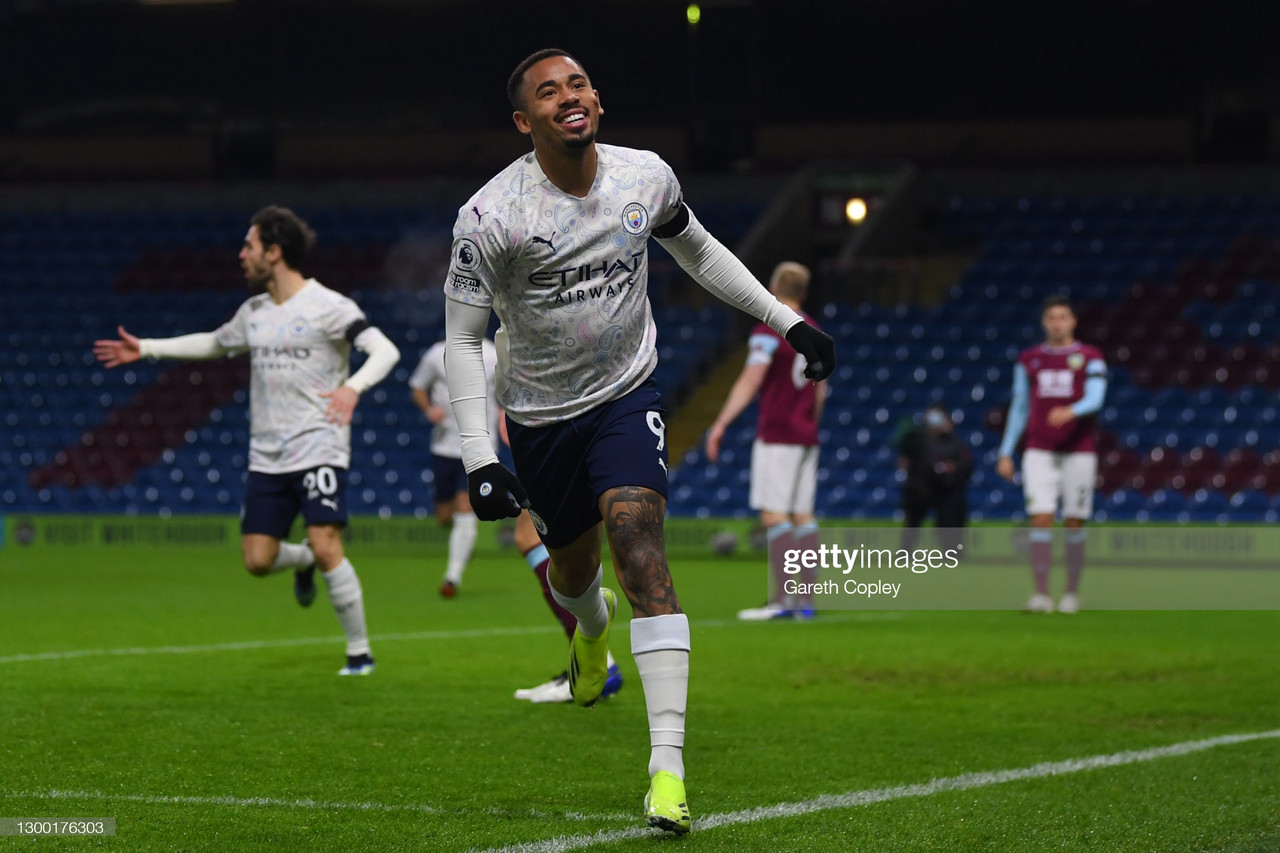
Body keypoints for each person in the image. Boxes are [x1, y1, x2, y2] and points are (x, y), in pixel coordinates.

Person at [442, 49, 834, 834]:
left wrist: (785, 320)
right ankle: (592, 636)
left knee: (639, 541)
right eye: (549, 93)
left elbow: (697, 249)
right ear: (525, 121)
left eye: (578, 83)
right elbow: (461, 338)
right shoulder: (490, 217)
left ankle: (667, 769)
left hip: (627, 392)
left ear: (596, 98)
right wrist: (481, 458)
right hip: (541, 415)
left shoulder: (645, 177)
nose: (569, 98)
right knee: (573, 571)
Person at [94, 205, 401, 674]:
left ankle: (359, 652)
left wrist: (352, 387)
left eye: (249, 246)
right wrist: (149, 348)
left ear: (274, 253)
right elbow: (217, 343)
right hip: (267, 455)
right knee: (258, 560)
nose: (242, 256)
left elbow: (385, 349)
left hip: (320, 445)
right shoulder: (254, 312)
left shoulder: (330, 306)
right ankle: (301, 563)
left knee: (326, 544)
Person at [410, 338, 624, 701]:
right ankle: (597, 660)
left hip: (554, 432)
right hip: (590, 422)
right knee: (563, 548)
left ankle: (600, 662)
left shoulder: (519, 331)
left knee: (537, 542)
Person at [704, 261, 828, 621]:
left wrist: (721, 423)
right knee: (803, 515)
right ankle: (805, 600)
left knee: (775, 516)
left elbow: (750, 381)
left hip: (777, 434)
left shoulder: (769, 331)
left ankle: (782, 600)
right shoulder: (814, 330)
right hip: (807, 434)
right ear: (804, 293)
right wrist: (809, 424)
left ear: (773, 287)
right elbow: (821, 392)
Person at [996, 295, 1107, 614]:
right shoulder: (1029, 359)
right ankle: (1041, 595)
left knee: (1074, 521)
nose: (1057, 323)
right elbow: (1020, 406)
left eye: (1063, 317)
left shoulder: (1090, 356)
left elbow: (1096, 398)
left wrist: (1070, 411)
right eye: (1052, 318)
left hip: (1078, 451)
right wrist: (1006, 451)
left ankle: (1071, 592)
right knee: (1041, 518)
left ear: (1073, 321)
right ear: (1044, 322)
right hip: (1039, 450)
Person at [409, 337, 500, 598]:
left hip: (481, 443)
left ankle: (452, 577)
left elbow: (504, 391)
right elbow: (417, 386)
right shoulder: (437, 352)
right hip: (444, 445)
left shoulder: (494, 355)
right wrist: (429, 409)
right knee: (444, 516)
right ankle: (463, 538)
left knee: (465, 504)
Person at [895, 406, 973, 551]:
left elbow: (966, 466)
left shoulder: (954, 443)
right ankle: (905, 554)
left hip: (946, 491)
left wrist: (951, 469)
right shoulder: (916, 439)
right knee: (912, 525)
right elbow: (901, 451)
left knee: (948, 525)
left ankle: (952, 555)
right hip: (919, 489)